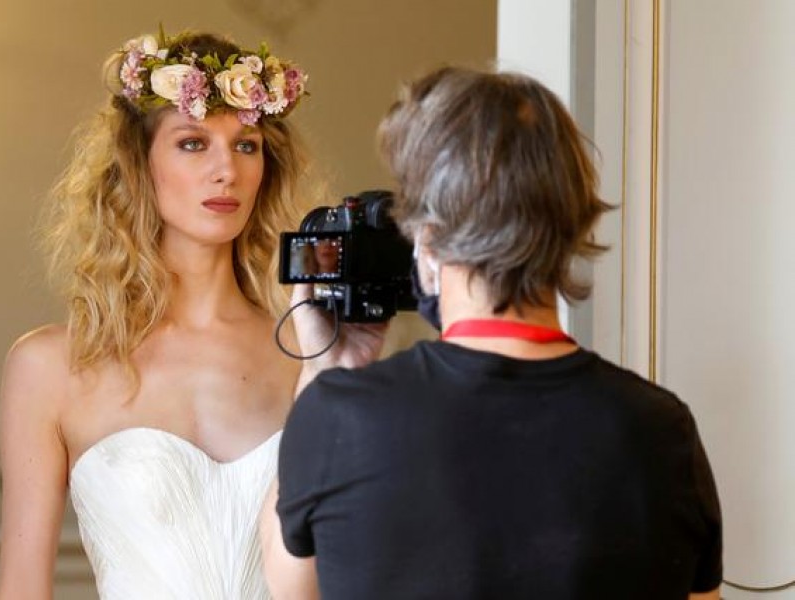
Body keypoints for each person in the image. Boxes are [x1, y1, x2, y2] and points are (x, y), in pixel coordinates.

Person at [263, 67, 722, 599]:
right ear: (571, 226)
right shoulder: (660, 429)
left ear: (427, 243)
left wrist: (326, 370)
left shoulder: (339, 417)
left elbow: (291, 589)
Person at [0, 29, 312, 599]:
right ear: (140, 164)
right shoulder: (50, 368)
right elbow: (20, 589)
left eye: (246, 145)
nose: (227, 171)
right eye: (193, 143)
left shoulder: (304, 354)